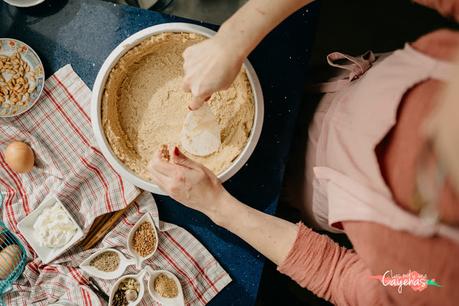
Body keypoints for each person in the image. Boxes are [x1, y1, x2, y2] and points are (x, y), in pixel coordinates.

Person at [149, 0, 459, 305]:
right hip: (327, 87)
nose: (426, 121)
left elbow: (339, 275)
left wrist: (219, 207)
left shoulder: (435, 284)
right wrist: (232, 39)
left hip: (296, 184)